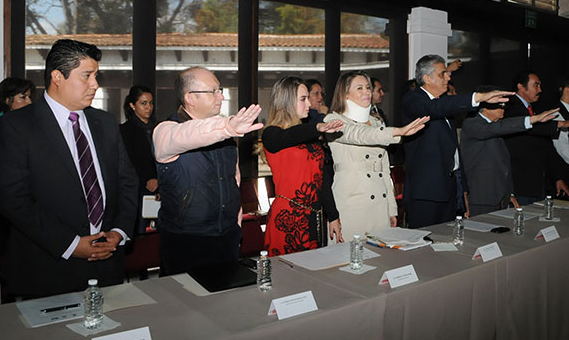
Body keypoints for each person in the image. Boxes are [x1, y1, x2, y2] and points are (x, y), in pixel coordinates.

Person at [0, 39, 138, 298]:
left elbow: (127, 182)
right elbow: (14, 199)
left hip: (107, 264)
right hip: (50, 267)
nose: (95, 84)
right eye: (86, 76)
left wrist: (119, 232)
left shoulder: (105, 122)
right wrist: (71, 244)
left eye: (96, 76)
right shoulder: (16, 127)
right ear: (57, 77)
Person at [153, 67, 262, 275]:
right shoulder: (166, 131)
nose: (221, 97)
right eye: (213, 91)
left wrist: (236, 226)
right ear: (190, 98)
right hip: (186, 240)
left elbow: (234, 182)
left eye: (220, 90)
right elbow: (188, 134)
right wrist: (227, 127)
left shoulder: (226, 136)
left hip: (227, 237)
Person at [401, 55, 512, 228]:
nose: (448, 77)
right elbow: (433, 109)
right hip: (426, 193)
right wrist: (478, 97)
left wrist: (463, 189)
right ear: (427, 78)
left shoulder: (442, 105)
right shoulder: (414, 100)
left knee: (448, 241)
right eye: (443, 74)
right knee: (423, 242)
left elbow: (454, 152)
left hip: (450, 190)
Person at [326, 71, 429, 238]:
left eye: (368, 87)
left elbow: (384, 170)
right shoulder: (332, 120)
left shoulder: (376, 121)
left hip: (379, 204)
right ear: (345, 94)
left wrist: (391, 209)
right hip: (352, 204)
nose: (366, 92)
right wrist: (398, 131)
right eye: (359, 88)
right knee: (350, 252)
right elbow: (359, 135)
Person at [261, 76, 343, 256]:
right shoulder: (272, 134)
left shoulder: (309, 136)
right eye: (303, 99)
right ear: (286, 101)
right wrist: (317, 127)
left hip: (315, 215)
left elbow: (321, 180)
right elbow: (289, 136)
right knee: (287, 271)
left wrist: (333, 216)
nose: (309, 104)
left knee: (315, 268)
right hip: (288, 217)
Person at [461, 87, 559, 217]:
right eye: (500, 105)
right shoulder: (472, 124)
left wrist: (509, 193)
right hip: (480, 198)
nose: (504, 108)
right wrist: (532, 119)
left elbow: (504, 166)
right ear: (484, 107)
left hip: (500, 197)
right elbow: (496, 129)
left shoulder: (496, 127)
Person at [503, 72, 569, 206]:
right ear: (521, 87)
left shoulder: (534, 109)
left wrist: (557, 177)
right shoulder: (509, 107)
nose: (540, 90)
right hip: (519, 182)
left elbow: (545, 146)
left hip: (538, 182)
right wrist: (560, 124)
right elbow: (529, 127)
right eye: (536, 85)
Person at [0, 77, 34, 253]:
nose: (29, 101)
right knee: (11, 259)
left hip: (29, 203)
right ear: (7, 100)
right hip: (0, 205)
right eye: (23, 97)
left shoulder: (31, 127)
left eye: (29, 96)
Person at [119, 85, 158, 234]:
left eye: (151, 103)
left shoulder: (159, 127)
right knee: (140, 232)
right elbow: (128, 161)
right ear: (132, 105)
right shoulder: (125, 130)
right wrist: (147, 179)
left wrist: (159, 180)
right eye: (143, 103)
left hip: (161, 185)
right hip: (136, 187)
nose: (149, 107)